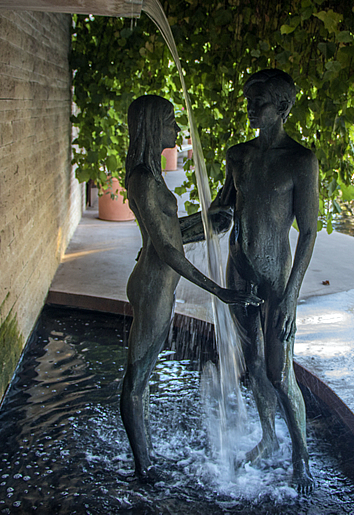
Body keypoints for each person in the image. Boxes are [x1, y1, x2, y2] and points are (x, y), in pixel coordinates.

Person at [121, 94, 260, 481]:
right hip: (154, 286)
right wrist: (219, 291)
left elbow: (166, 233)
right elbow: (166, 250)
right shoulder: (144, 180)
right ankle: (143, 468)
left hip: (157, 281)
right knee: (136, 381)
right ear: (152, 126)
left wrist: (206, 221)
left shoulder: (150, 175)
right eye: (169, 121)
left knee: (143, 379)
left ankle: (145, 456)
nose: (176, 129)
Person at [211, 69, 320, 491]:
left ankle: (302, 454)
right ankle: (269, 437)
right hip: (238, 276)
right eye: (248, 100)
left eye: (259, 102)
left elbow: (308, 232)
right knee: (253, 366)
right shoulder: (238, 156)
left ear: (283, 107)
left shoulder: (300, 161)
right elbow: (222, 213)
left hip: (277, 282)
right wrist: (171, 235)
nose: (250, 108)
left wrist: (291, 297)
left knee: (279, 372)